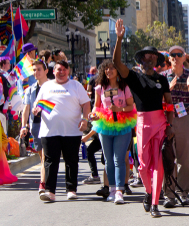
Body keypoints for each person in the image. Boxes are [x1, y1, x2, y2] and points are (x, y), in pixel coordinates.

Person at [112, 19, 174, 218]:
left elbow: (169, 103)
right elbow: (117, 63)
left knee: (158, 165)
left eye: (152, 57)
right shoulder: (134, 76)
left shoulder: (162, 79)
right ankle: (149, 192)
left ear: (156, 61)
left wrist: (170, 124)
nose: (149, 60)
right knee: (143, 166)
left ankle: (155, 202)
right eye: (145, 57)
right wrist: (119, 39)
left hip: (159, 124)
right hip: (141, 124)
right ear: (141, 60)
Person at [35, 60, 91, 202]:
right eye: (59, 69)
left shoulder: (76, 86)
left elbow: (86, 103)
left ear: (68, 72)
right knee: (50, 161)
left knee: (71, 160)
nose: (62, 72)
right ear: (53, 71)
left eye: (65, 69)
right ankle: (49, 191)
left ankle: (71, 189)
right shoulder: (46, 86)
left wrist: (85, 119)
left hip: (72, 131)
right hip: (49, 131)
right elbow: (39, 104)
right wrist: (37, 109)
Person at [91, 59, 137, 204]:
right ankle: (111, 189)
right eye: (106, 69)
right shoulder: (100, 88)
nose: (109, 71)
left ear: (117, 71)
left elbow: (131, 106)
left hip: (123, 125)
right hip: (105, 126)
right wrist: (93, 115)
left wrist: (120, 109)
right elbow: (96, 107)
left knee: (119, 159)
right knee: (108, 160)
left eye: (112, 68)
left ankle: (119, 191)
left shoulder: (125, 87)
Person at [163, 45, 189, 208]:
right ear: (169, 58)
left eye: (179, 54)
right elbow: (158, 101)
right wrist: (168, 89)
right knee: (168, 158)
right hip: (167, 119)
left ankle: (183, 193)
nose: (175, 57)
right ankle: (169, 194)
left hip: (184, 119)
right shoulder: (163, 77)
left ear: (184, 57)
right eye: (172, 55)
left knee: (184, 159)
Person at [20, 59, 49, 195]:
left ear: (46, 71)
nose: (36, 72)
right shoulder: (30, 90)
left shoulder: (52, 87)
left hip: (50, 125)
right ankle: (46, 180)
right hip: (36, 126)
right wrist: (24, 126)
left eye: (39, 69)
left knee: (45, 156)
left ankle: (43, 184)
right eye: (34, 70)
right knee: (42, 155)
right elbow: (26, 108)